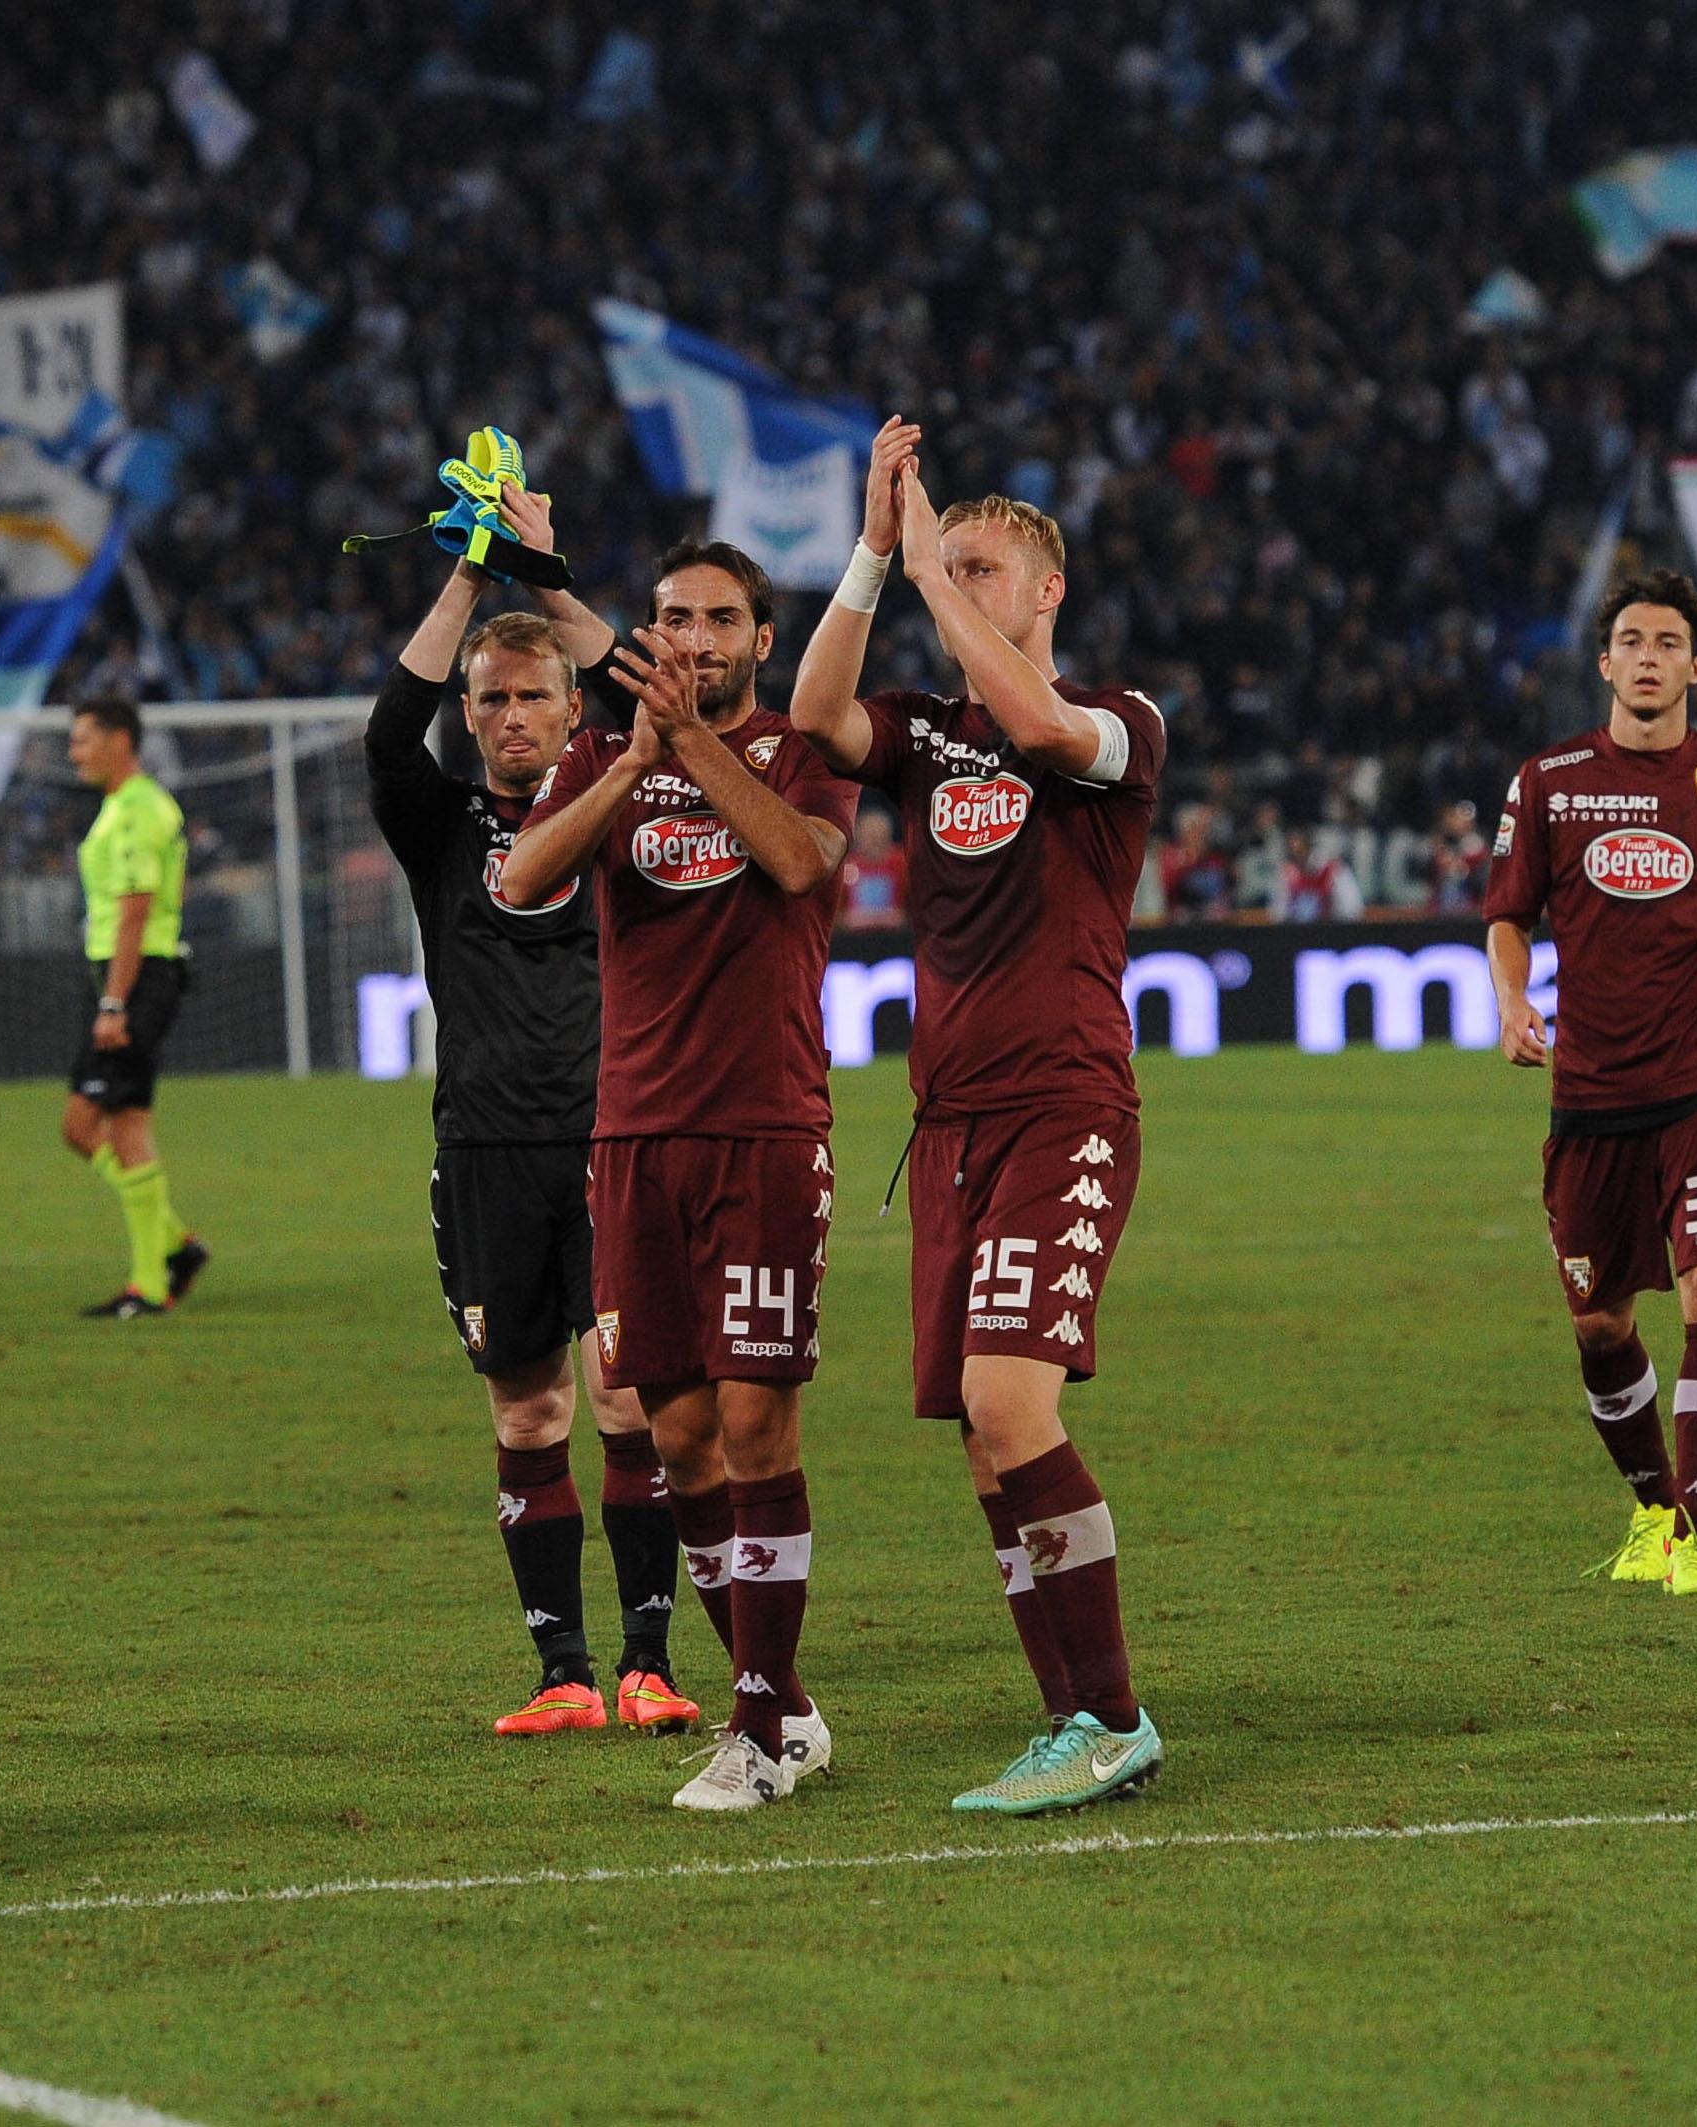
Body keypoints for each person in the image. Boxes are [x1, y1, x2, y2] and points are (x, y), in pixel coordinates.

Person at [790, 421, 1169, 1816]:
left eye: (981, 568)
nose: (953, 583)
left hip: (1061, 1107)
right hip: (946, 1127)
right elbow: (813, 717)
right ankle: (1068, 1713)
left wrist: (924, 565)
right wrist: (870, 555)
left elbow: (1040, 726)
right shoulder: (922, 733)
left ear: (1046, 590)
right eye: (947, 567)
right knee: (977, 1428)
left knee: (1011, 1403)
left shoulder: (1117, 723)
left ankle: (1112, 1718)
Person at [499, 541, 858, 1813]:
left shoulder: (803, 752)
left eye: (717, 619)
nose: (693, 638)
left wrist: (690, 746)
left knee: (756, 1426)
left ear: (761, 638)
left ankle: (752, 1733)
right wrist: (630, 764)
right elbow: (521, 877)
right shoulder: (603, 757)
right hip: (633, 1140)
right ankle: (787, 1704)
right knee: (681, 1438)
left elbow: (801, 862)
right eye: (671, 618)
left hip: (762, 1130)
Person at [365, 553, 696, 1740]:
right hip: (485, 1148)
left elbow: (663, 696)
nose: (512, 716)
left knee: (628, 1403)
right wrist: (464, 574)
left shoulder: (625, 800)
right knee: (526, 1415)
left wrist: (550, 581)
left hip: (613, 1141)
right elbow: (386, 734)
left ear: (571, 710)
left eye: (533, 696)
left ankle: (648, 1664)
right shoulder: (438, 824)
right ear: (469, 715)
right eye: (491, 698)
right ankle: (563, 1673)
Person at [1482, 570, 1697, 1597]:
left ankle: (1693, 1536)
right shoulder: (1547, 782)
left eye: (1666, 642)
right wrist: (1511, 999)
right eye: (1630, 641)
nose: (1646, 657)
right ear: (1604, 663)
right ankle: (1650, 1506)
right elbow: (1507, 914)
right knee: (1599, 1322)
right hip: (1591, 1090)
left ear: (1694, 667)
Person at [59, 699, 207, 1319]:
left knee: (114, 1126)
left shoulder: (140, 808)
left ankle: (149, 1283)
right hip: (129, 976)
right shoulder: (126, 805)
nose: (74, 752)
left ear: (121, 740)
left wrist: (116, 1002)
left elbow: (136, 910)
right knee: (95, 1125)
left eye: (83, 739)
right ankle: (172, 1246)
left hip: (137, 976)